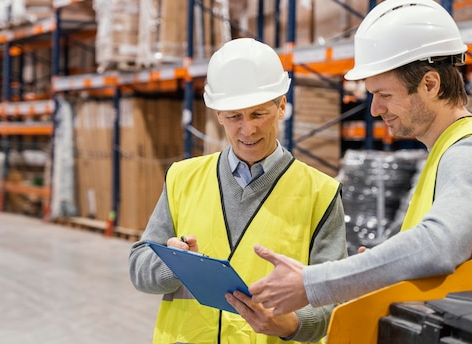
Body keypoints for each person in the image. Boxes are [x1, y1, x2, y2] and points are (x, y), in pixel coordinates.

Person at [246, 0, 472, 316]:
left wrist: (314, 283)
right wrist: (386, 264)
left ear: (430, 84)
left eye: (384, 95)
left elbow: (441, 245)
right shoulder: (448, 147)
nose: (374, 109)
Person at [128, 37, 347, 343]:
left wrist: (289, 324)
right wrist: (172, 264)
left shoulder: (320, 194)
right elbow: (139, 267)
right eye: (234, 117)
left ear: (282, 106)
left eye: (259, 114)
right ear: (218, 114)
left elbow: (336, 300)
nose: (248, 129)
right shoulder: (182, 178)